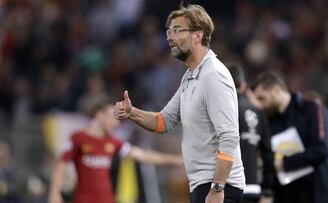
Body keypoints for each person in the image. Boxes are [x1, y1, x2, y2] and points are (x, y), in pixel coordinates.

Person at [114, 4, 245, 203]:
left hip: (220, 187)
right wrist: (131, 112)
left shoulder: (214, 76)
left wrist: (217, 189)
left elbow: (229, 136)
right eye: (169, 31)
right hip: (203, 185)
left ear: (198, 35)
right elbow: (163, 122)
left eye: (177, 30)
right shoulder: (191, 76)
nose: (169, 37)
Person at [48, 97, 183, 203]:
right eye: (112, 117)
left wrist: (175, 160)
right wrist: (55, 193)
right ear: (99, 115)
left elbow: (142, 155)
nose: (116, 123)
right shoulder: (78, 138)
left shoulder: (113, 142)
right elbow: (61, 163)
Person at [251, 71, 328, 203]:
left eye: (261, 98)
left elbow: (322, 149)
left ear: (275, 90)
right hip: (286, 195)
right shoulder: (268, 122)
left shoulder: (312, 108)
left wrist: (284, 163)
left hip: (315, 191)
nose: (259, 105)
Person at [227, 64, 275, 203]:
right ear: (243, 86)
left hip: (227, 188)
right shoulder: (258, 112)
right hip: (253, 189)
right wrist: (268, 190)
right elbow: (268, 153)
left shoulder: (222, 110)